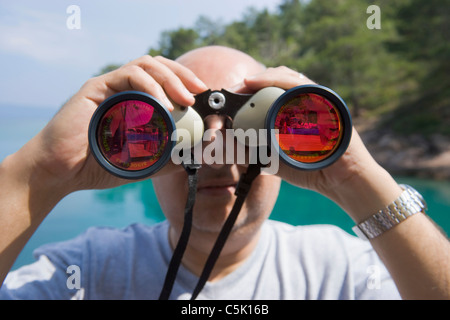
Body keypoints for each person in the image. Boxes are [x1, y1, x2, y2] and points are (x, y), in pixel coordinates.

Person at [0, 46, 448, 300]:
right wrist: (41, 172)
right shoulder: (86, 272)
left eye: (250, 124)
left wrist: (356, 176)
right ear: (155, 151)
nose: (215, 152)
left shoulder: (346, 271)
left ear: (280, 140)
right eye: (182, 128)